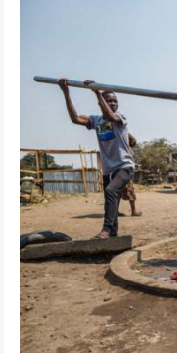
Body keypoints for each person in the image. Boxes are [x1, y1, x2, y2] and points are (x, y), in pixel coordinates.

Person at [58, 78, 135, 239]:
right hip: (108, 169)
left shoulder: (120, 117)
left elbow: (110, 115)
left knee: (111, 190)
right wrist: (66, 92)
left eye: (115, 101)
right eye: (109, 101)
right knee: (110, 199)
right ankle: (112, 232)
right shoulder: (97, 121)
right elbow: (75, 118)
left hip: (124, 167)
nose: (113, 103)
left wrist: (96, 92)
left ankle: (106, 230)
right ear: (101, 104)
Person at [118, 133, 143, 217]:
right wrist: (123, 131)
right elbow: (134, 140)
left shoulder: (118, 147)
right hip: (125, 171)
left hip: (117, 171)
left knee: (117, 192)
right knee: (130, 191)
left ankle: (115, 212)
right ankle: (133, 211)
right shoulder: (126, 148)